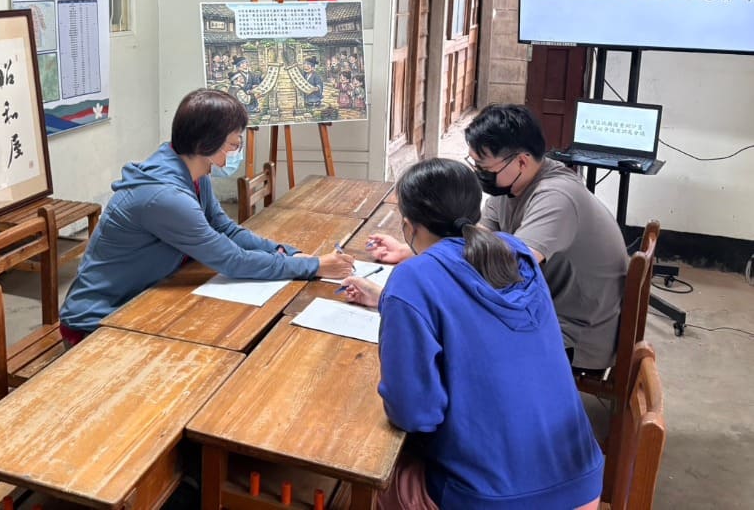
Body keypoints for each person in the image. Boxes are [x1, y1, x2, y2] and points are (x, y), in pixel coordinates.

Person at [341, 158, 603, 510]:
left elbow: (415, 413)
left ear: (407, 225)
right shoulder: (515, 253)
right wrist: (387, 299)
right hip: (581, 486)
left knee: (372, 470)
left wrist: (397, 300)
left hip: (491, 498)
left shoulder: (412, 279)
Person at [58, 88, 354, 344]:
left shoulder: (191, 171)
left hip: (142, 299)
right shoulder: (166, 197)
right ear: (206, 144)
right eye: (233, 144)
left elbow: (226, 229)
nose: (236, 152)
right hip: (97, 321)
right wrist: (314, 266)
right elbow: (231, 260)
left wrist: (290, 253)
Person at [463, 103, 629, 371]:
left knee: (460, 344)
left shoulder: (556, 197)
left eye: (484, 167)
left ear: (521, 161)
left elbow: (507, 266)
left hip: (575, 336)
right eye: (474, 163)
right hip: (544, 311)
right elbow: (479, 239)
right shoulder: (511, 185)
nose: (480, 174)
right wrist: (420, 249)